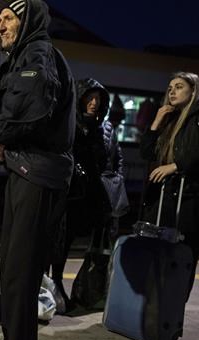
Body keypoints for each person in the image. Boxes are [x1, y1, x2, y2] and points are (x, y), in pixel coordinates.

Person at [0, 0, 76, 340]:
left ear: (27, 20)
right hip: (26, 169)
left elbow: (28, 103)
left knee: (21, 270)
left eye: (7, 18)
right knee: (12, 269)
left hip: (39, 174)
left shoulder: (38, 52)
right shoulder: (27, 54)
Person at [140, 72, 199, 301]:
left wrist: (176, 166)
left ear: (193, 90)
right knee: (157, 259)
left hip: (188, 201)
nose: (172, 92)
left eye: (179, 86)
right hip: (162, 199)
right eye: (169, 88)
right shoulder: (170, 118)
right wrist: (156, 123)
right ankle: (152, 315)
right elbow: (147, 153)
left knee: (180, 260)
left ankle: (171, 317)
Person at [50, 78, 128, 310]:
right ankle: (54, 283)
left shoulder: (106, 128)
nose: (93, 103)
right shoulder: (70, 123)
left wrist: (116, 180)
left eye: (98, 100)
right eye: (90, 98)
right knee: (59, 243)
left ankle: (87, 291)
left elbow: (117, 159)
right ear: (81, 98)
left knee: (95, 247)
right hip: (69, 195)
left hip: (95, 197)